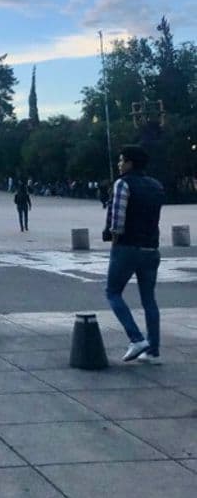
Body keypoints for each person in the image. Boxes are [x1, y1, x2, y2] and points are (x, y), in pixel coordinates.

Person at [104, 144, 164, 363]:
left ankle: (136, 338)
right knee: (149, 299)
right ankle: (153, 349)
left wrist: (114, 244)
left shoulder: (123, 183)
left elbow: (117, 221)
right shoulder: (156, 186)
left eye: (121, 160)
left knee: (112, 292)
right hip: (151, 248)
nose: (119, 164)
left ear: (130, 163)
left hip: (127, 247)